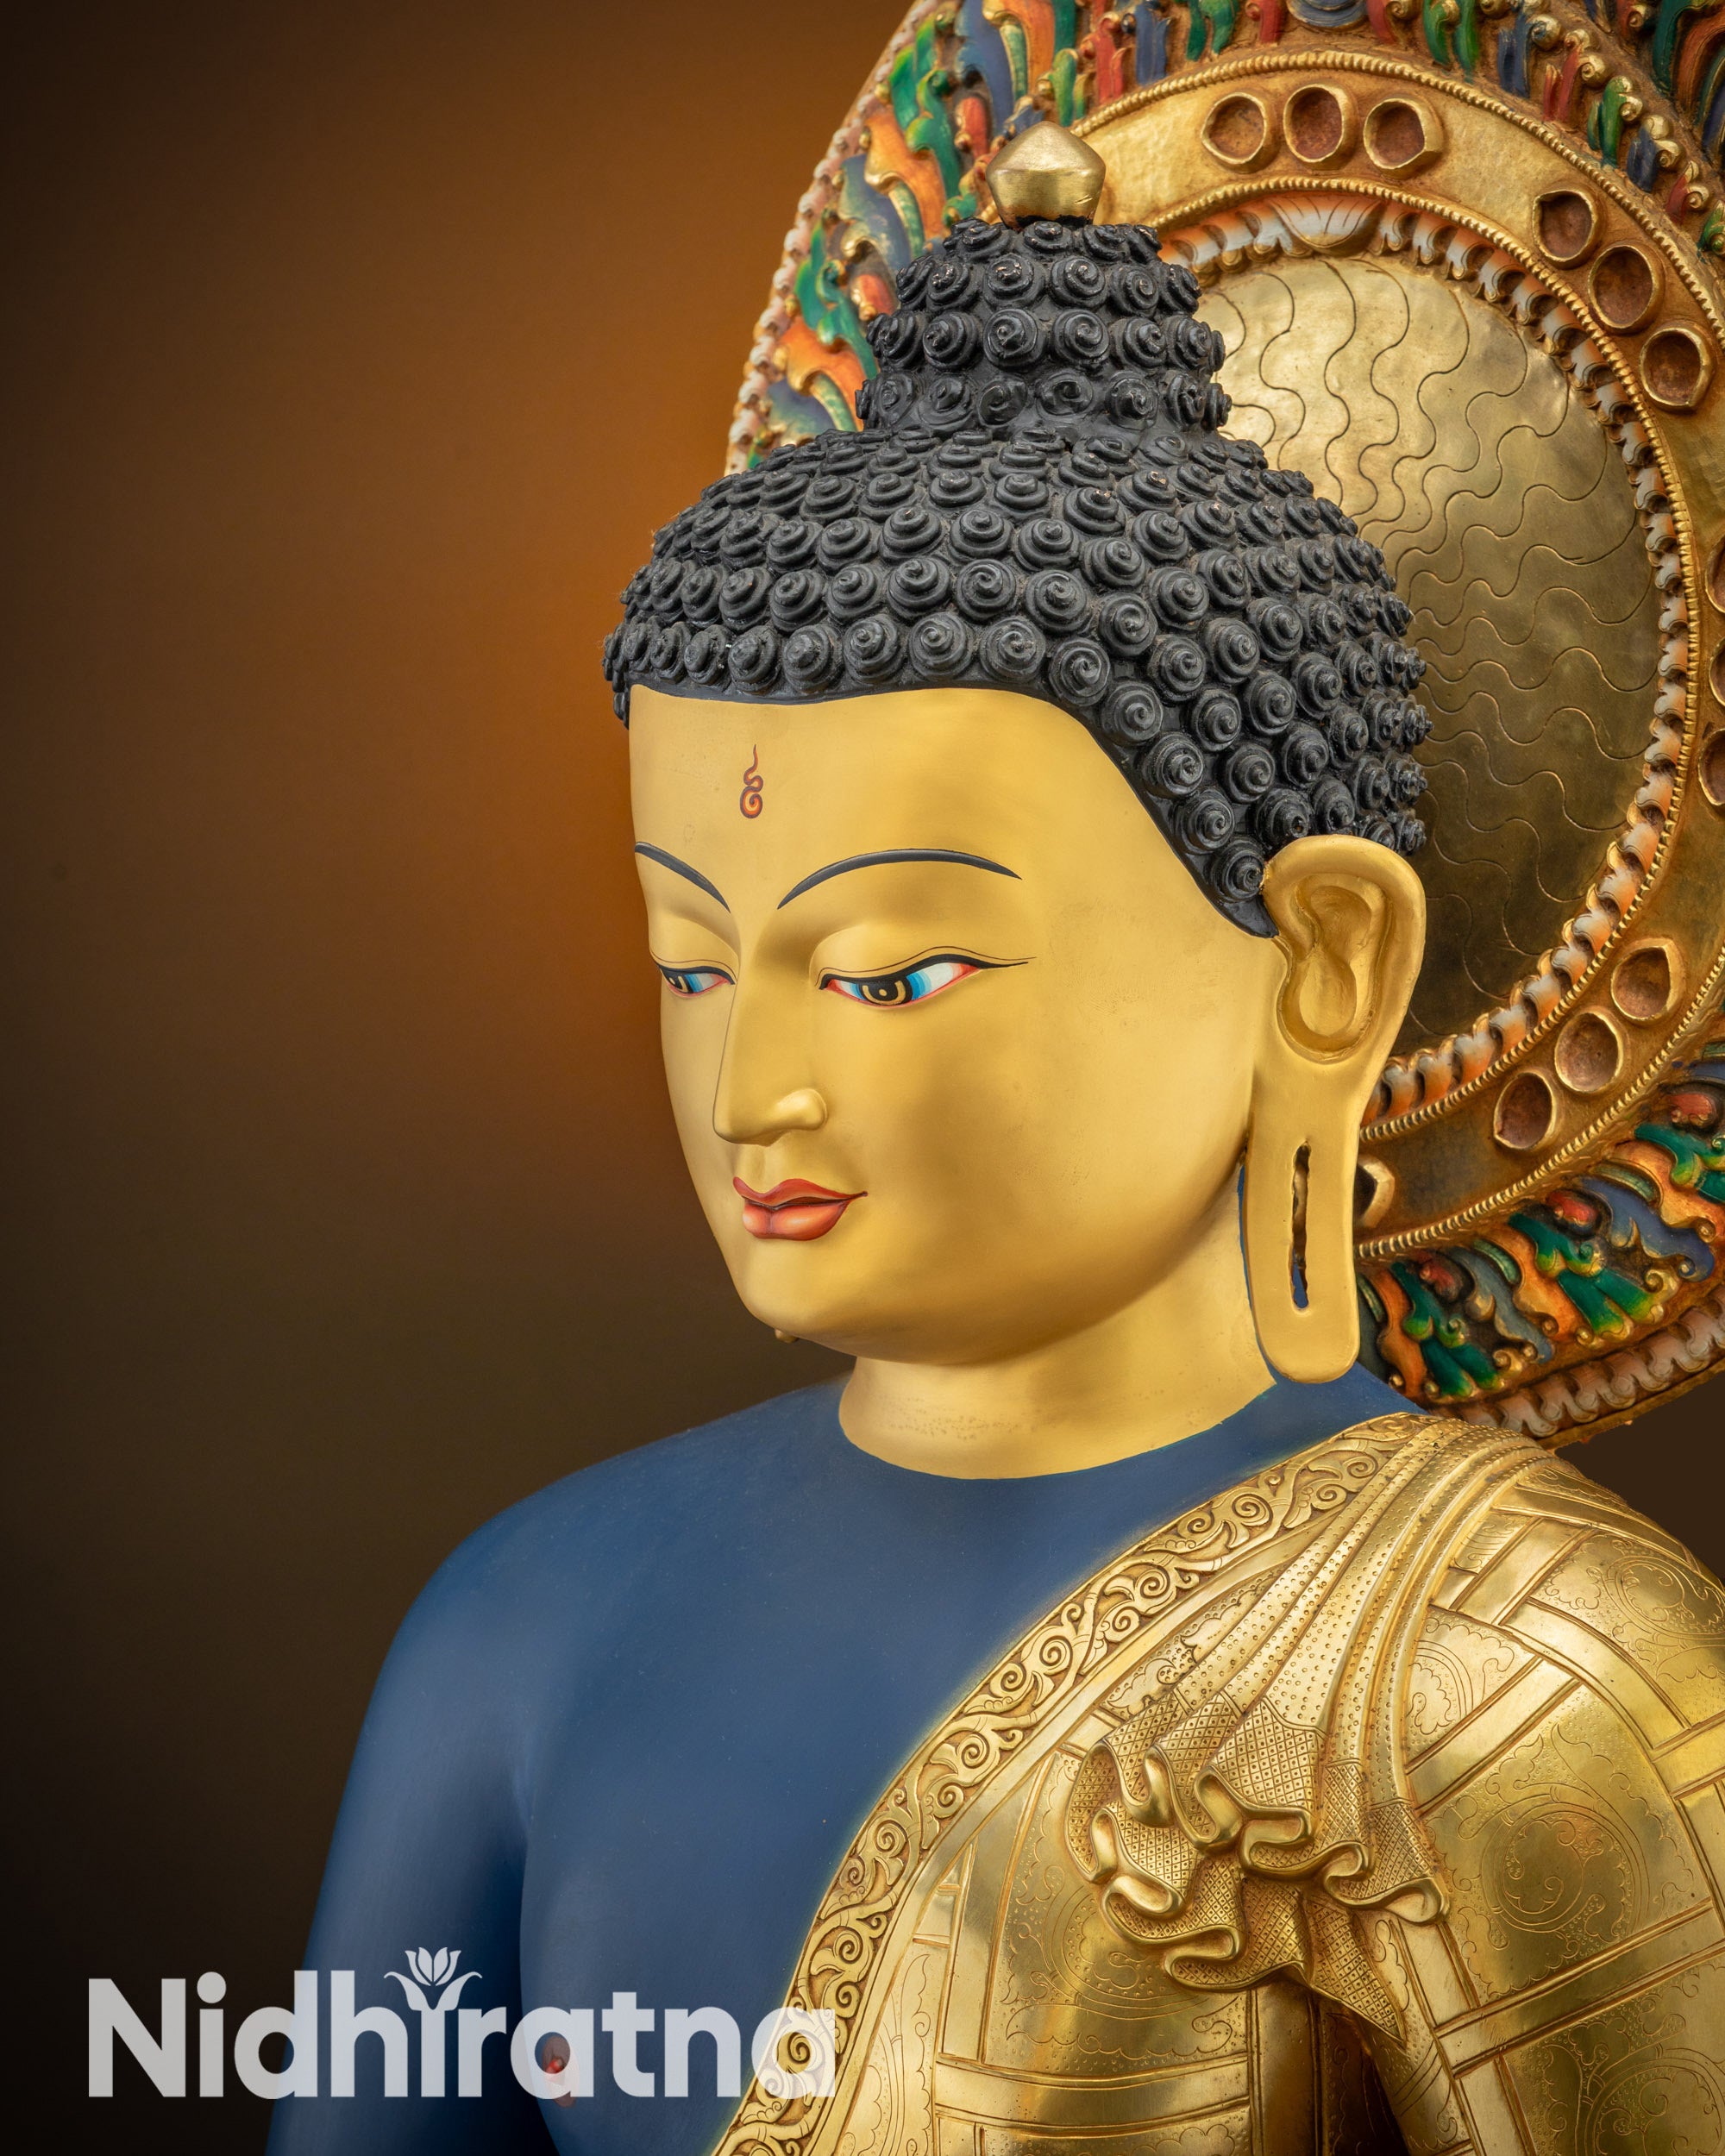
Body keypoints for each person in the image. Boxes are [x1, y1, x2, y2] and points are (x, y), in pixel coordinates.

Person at [273, 127, 1725, 2156]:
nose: (748, 1084)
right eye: (694, 962)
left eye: (890, 970)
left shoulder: (1519, 1678)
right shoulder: (520, 1621)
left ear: (1316, 963)